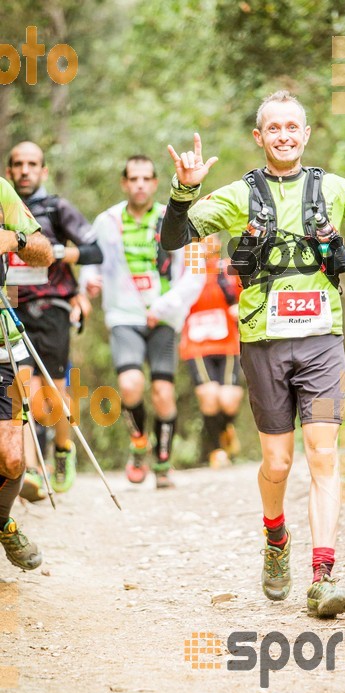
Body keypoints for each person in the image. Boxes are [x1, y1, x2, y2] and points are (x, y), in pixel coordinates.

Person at [161, 90, 345, 618]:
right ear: (259, 138)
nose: (284, 135)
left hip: (322, 341)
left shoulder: (333, 188)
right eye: (273, 128)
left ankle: (322, 576)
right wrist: (183, 192)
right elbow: (173, 237)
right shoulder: (239, 195)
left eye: (292, 127)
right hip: (262, 343)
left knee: (323, 455)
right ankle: (275, 537)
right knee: (278, 462)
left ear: (306, 134)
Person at [80, 155, 204, 488]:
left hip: (164, 316)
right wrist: (89, 283)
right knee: (131, 385)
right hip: (124, 315)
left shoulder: (174, 218)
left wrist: (165, 305)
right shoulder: (107, 221)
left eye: (145, 178)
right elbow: (90, 260)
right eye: (132, 178)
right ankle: (138, 444)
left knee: (163, 392)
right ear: (124, 183)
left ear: (154, 183)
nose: (139, 184)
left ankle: (163, 460)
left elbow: (195, 273)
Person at [6, 141, 103, 501]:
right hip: (12, 306)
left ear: (43, 171)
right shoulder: (4, 207)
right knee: (23, 389)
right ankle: (30, 469)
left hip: (53, 304)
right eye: (18, 164)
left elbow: (95, 249)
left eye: (33, 164)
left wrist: (51, 253)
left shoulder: (55, 207)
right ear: (10, 171)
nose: (26, 170)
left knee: (52, 393)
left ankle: (63, 449)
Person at [0, 175, 53, 570]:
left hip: (3, 347)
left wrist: (14, 241)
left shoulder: (1, 191)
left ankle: (3, 523)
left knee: (13, 460)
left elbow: (44, 253)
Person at [179, 234, 243, 468]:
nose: (207, 244)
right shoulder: (184, 271)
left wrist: (240, 307)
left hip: (227, 343)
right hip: (196, 345)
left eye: (211, 238)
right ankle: (217, 450)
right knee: (209, 396)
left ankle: (226, 429)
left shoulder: (226, 269)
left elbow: (246, 293)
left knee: (228, 400)